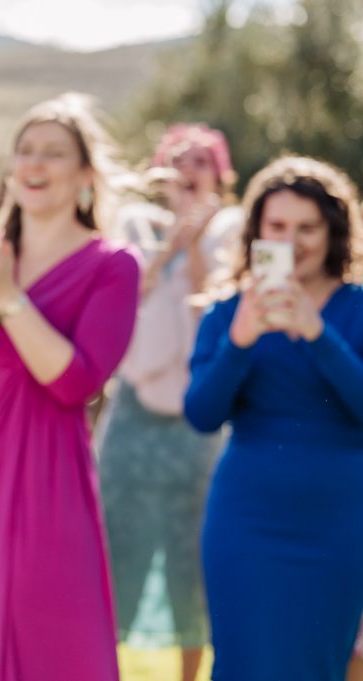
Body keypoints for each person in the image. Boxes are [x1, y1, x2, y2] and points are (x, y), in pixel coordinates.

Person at [0, 93, 140, 681]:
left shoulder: (112, 264)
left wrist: (6, 295)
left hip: (50, 475)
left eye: (53, 153)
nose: (34, 164)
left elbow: (75, 383)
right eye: (25, 151)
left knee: (51, 637)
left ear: (86, 174)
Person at [185, 155, 363, 681]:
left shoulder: (357, 309)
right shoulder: (226, 312)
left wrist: (317, 333)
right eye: (278, 226)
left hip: (338, 521)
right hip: (247, 520)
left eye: (307, 227)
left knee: (318, 664)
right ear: (256, 232)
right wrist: (239, 341)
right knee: (242, 663)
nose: (292, 240)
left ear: (333, 231)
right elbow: (201, 413)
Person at [95, 124, 240, 681]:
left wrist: (197, 247)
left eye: (202, 159)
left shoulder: (232, 229)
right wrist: (175, 241)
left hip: (198, 415)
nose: (189, 167)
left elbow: (217, 311)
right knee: (118, 543)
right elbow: (127, 301)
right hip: (133, 411)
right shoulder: (136, 225)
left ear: (219, 175)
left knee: (192, 552)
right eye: (178, 158)